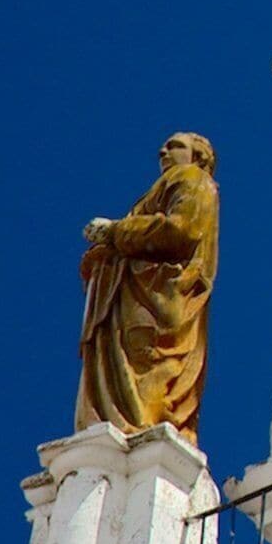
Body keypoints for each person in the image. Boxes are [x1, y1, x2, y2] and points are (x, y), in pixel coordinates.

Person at [76, 134, 218, 436]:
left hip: (154, 299)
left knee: (144, 382)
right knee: (123, 382)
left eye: (176, 145)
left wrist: (115, 231)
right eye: (164, 147)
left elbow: (181, 230)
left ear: (199, 156)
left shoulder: (192, 178)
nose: (163, 151)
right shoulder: (162, 187)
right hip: (130, 298)